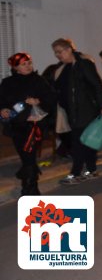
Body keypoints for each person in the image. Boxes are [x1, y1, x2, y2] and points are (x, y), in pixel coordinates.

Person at [50, 38, 102, 185]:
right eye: (55, 52)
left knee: (78, 143)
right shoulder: (62, 68)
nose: (57, 55)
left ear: (69, 49)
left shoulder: (83, 64)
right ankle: (91, 170)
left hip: (86, 110)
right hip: (71, 111)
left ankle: (75, 173)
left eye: (60, 51)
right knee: (87, 142)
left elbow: (97, 85)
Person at [0, 53, 56, 195]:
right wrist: (3, 110)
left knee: (29, 156)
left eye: (29, 63)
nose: (28, 66)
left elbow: (50, 100)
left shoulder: (39, 81)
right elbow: (2, 101)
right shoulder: (7, 83)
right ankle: (27, 179)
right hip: (16, 126)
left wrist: (38, 102)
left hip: (34, 126)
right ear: (16, 67)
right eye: (24, 64)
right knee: (25, 156)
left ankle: (30, 188)